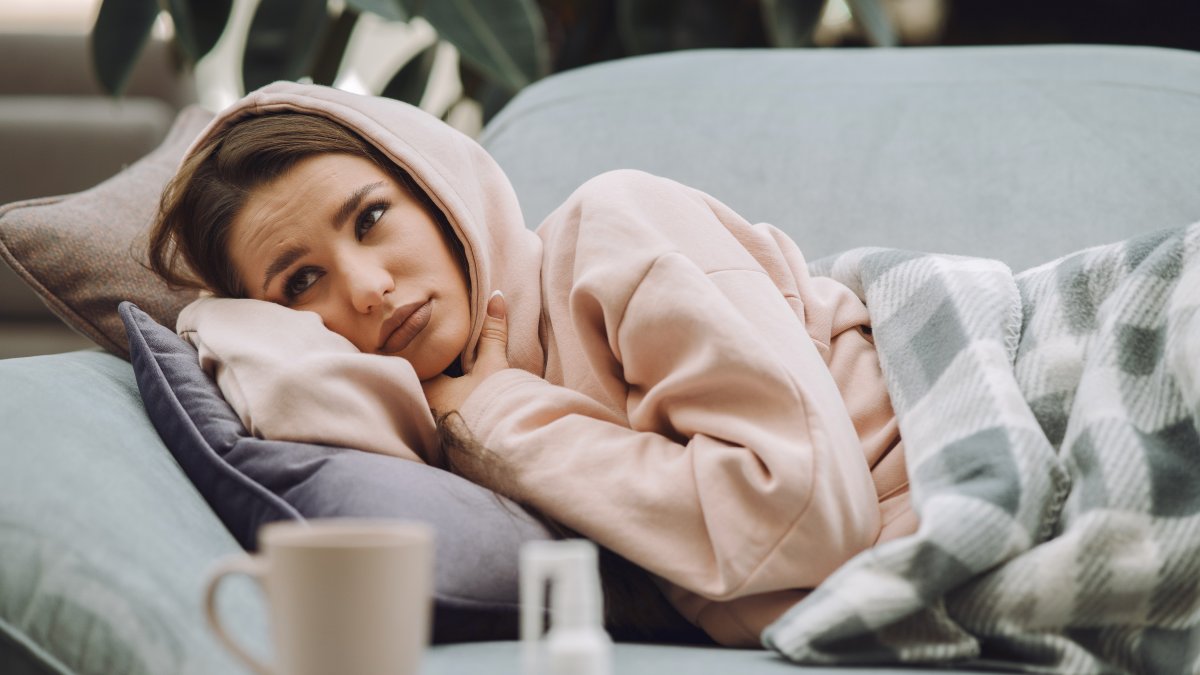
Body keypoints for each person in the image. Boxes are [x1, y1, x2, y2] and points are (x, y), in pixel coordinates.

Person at [149, 82, 917, 647]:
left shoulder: (611, 228)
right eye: (301, 281)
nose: (369, 289)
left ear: (437, 192)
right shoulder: (455, 434)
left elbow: (807, 514)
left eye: (372, 217)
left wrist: (501, 419)